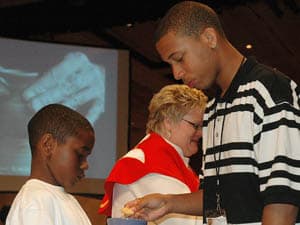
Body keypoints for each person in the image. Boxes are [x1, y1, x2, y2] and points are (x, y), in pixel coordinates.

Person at [124, 1, 300, 225]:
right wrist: (169, 203)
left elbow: (282, 204)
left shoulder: (269, 90)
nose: (176, 73)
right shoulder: (213, 109)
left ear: (209, 38)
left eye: (179, 58)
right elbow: (218, 196)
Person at [98, 84, 207, 225]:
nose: (201, 133)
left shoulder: (172, 161)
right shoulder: (145, 163)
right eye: (196, 125)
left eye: (203, 126)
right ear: (168, 122)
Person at [5, 103, 95, 225]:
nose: (85, 165)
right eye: (80, 155)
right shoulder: (36, 201)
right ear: (48, 145)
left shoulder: (66, 199)